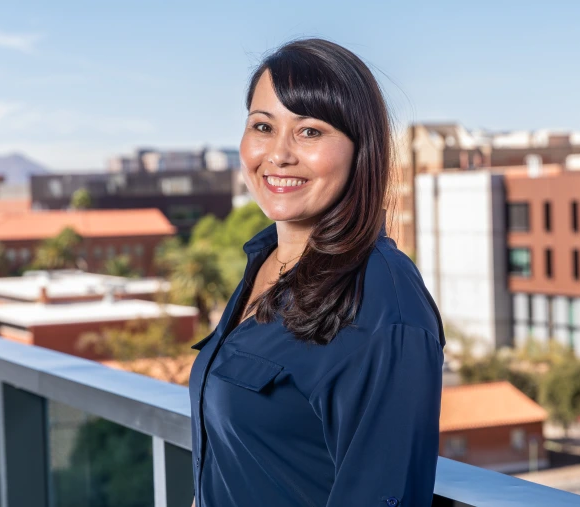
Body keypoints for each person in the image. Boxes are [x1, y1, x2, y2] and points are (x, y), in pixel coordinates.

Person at [188, 37, 445, 507]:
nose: (279, 154)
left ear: (359, 148)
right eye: (263, 126)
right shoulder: (265, 259)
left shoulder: (383, 299)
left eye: (310, 132)